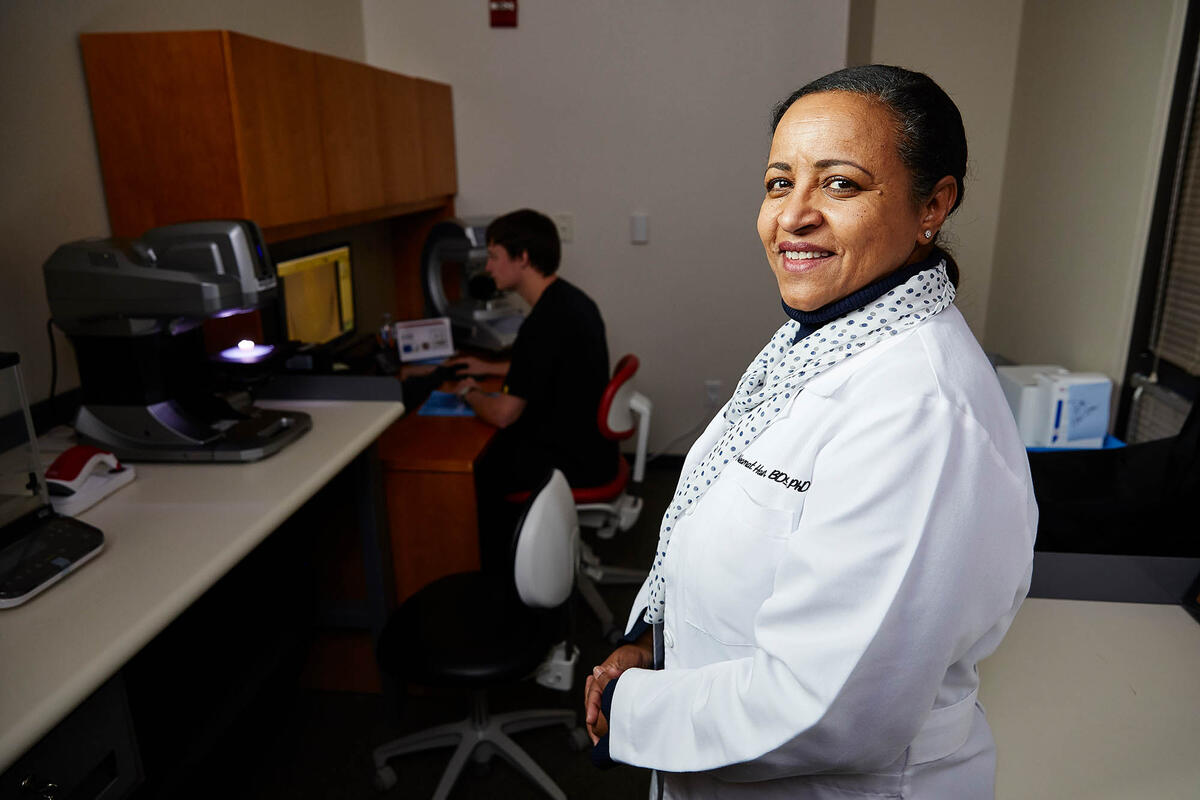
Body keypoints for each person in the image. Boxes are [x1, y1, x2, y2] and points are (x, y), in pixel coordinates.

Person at [583, 65, 1037, 798]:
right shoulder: (815, 343)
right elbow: (714, 514)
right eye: (777, 182)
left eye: (840, 184)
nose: (792, 216)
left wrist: (628, 707)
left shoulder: (918, 410)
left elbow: (831, 710)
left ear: (934, 204)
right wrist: (648, 640)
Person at [449, 209, 617, 563]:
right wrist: (488, 366)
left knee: (473, 468)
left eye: (494, 257)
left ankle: (502, 573)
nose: (489, 267)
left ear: (522, 258)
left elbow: (505, 415)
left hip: (567, 461)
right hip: (592, 448)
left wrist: (468, 391)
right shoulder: (570, 302)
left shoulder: (542, 323)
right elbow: (545, 364)